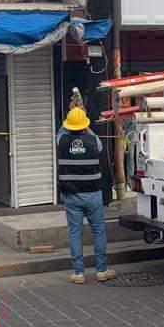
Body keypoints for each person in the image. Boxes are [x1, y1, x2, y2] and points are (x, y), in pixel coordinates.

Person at [56, 106, 115, 284]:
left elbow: (62, 130)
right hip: (92, 194)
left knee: (75, 233)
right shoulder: (94, 142)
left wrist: (70, 121)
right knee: (98, 231)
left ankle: (79, 273)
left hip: (71, 195)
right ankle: (101, 270)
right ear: (84, 125)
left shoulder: (62, 141)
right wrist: (84, 121)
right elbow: (93, 137)